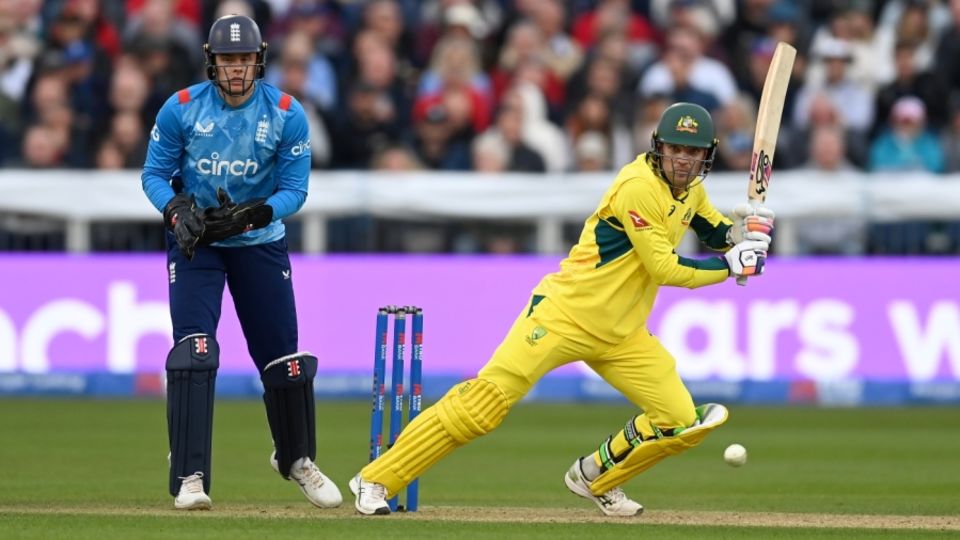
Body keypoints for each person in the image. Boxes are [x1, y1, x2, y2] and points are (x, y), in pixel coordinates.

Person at [349, 102, 774, 516]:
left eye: (693, 152)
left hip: (621, 333)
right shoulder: (638, 187)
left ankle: (595, 477)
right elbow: (663, 268)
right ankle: (377, 478)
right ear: (658, 147)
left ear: (706, 155)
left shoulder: (691, 190)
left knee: (679, 419)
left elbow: (714, 229)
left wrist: (744, 237)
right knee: (483, 406)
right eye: (676, 150)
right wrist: (728, 265)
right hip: (563, 315)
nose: (683, 161)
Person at [140, 14, 342, 511]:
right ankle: (189, 473)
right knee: (195, 352)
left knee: (284, 362)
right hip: (198, 245)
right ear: (212, 61)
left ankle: (295, 459)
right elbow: (154, 174)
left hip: (260, 241)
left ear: (259, 60)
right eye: (228, 59)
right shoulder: (182, 108)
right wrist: (173, 209)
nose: (236, 69)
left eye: (244, 59)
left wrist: (258, 213)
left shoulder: (288, 113)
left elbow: (296, 189)